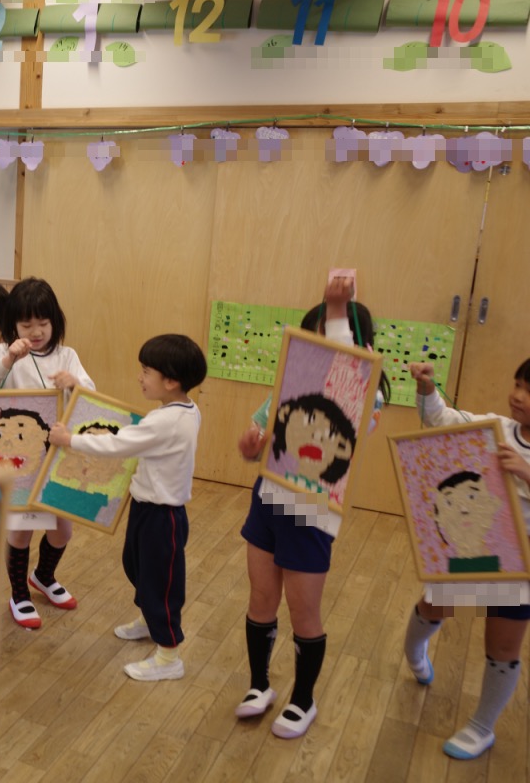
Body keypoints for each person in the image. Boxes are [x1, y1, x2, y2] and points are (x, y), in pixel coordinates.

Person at [234, 278, 389, 739]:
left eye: (332, 331)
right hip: (268, 500)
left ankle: (303, 699)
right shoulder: (291, 381)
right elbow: (261, 440)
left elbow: (345, 373)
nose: (323, 342)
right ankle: (259, 685)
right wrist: (250, 447)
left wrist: (337, 310)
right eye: (316, 333)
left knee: (304, 612)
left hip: (313, 512)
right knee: (261, 599)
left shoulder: (366, 391)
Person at [48, 334, 206, 680]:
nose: (140, 377)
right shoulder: (182, 410)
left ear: (171, 381)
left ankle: (169, 657)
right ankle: (150, 620)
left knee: (160, 583)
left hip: (163, 516)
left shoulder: (166, 421)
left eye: (146, 371)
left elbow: (117, 444)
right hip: (147, 508)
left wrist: (69, 440)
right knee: (136, 566)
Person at [402, 357, 530, 760]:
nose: (518, 396)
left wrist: (526, 472)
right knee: (434, 605)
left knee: (503, 646)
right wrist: (426, 389)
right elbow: (441, 420)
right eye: (518, 384)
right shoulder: (496, 428)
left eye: (529, 392)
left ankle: (482, 726)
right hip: (475, 549)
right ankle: (414, 652)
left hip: (521, 565)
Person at [0, 277, 93, 630]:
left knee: (62, 531)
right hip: (20, 460)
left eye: (43, 323)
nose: (36, 331)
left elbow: (91, 394)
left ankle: (43, 576)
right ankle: (19, 594)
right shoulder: (7, 355)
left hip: (58, 457)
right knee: (21, 531)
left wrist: (75, 384)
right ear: (12, 325)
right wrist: (9, 358)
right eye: (26, 324)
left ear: (54, 321)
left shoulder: (67, 355)